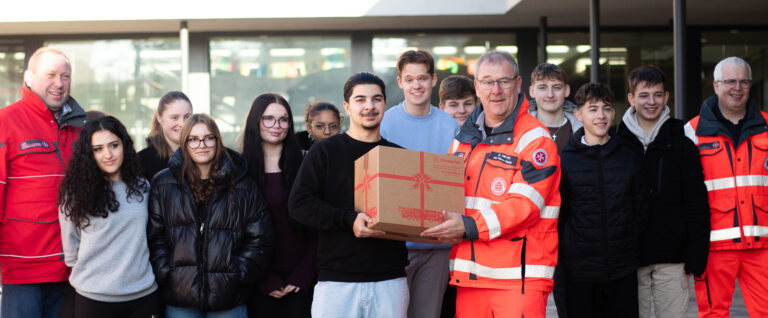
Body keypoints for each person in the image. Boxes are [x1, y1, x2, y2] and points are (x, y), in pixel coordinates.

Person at [421, 50, 560, 318]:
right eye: (487, 82)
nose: (495, 90)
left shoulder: (535, 140)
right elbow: (448, 197)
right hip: (470, 277)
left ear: (518, 85)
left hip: (517, 281)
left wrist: (469, 225)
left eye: (503, 81)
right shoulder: (462, 140)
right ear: (477, 87)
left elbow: (525, 205)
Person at [289, 72, 409, 318]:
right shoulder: (324, 152)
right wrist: (348, 219)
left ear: (385, 104)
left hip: (390, 281)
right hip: (336, 283)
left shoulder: (400, 157)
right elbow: (299, 204)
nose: (369, 106)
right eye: (360, 99)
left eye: (376, 99)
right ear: (347, 106)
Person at [147, 113, 273, 317]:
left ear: (217, 140)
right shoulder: (163, 183)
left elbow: (260, 239)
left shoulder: (243, 184)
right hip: (180, 295)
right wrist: (168, 273)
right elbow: (155, 237)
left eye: (208, 138)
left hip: (229, 296)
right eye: (193, 139)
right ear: (184, 142)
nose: (201, 145)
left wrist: (237, 273)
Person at [617, 65, 710, 318]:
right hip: (629, 259)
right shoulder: (617, 144)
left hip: (672, 257)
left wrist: (697, 253)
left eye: (658, 95)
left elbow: (696, 202)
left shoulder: (683, 143)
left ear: (667, 97)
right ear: (631, 99)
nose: (651, 101)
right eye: (644, 95)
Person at [0, 47, 86, 318]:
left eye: (65, 76)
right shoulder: (5, 122)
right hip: (23, 271)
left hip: (71, 270)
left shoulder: (81, 129)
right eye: (50, 75)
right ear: (29, 77)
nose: (59, 84)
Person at [684, 56, 768, 317]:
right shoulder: (692, 131)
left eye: (744, 81)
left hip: (763, 245)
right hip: (713, 246)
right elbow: (684, 193)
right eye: (730, 81)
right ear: (716, 85)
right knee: (712, 313)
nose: (737, 87)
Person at [380, 49, 458, 318]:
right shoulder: (385, 122)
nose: (417, 85)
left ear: (434, 80)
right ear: (400, 81)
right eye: (410, 79)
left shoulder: (450, 126)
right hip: (394, 245)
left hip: (438, 246)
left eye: (423, 78)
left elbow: (457, 183)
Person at [58, 116, 159, 317]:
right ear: (89, 154)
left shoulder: (142, 187)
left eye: (114, 145)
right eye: (98, 149)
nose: (108, 154)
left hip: (143, 295)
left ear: (125, 146)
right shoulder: (75, 193)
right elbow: (71, 249)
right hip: (94, 298)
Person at [558, 83, 644, 317]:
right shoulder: (565, 160)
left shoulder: (628, 156)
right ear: (579, 114)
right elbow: (561, 214)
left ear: (613, 113)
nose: (601, 116)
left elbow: (639, 209)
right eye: (593, 109)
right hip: (580, 272)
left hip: (621, 269)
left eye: (606, 109)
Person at [241, 93, 316, 318]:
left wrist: (304, 274)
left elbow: (320, 225)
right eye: (269, 118)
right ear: (256, 121)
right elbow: (233, 232)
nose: (277, 125)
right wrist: (262, 277)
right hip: (258, 280)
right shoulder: (239, 170)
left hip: (303, 279)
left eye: (284, 119)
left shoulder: (306, 165)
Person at [138, 91, 193, 180]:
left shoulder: (203, 155)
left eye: (187, 117)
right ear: (159, 118)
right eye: (174, 118)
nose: (183, 124)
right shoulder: (141, 162)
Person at [528, 63, 582, 151]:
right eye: (542, 88)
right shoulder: (519, 129)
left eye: (557, 87)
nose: (550, 95)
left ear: (567, 90)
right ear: (532, 91)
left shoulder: (584, 130)